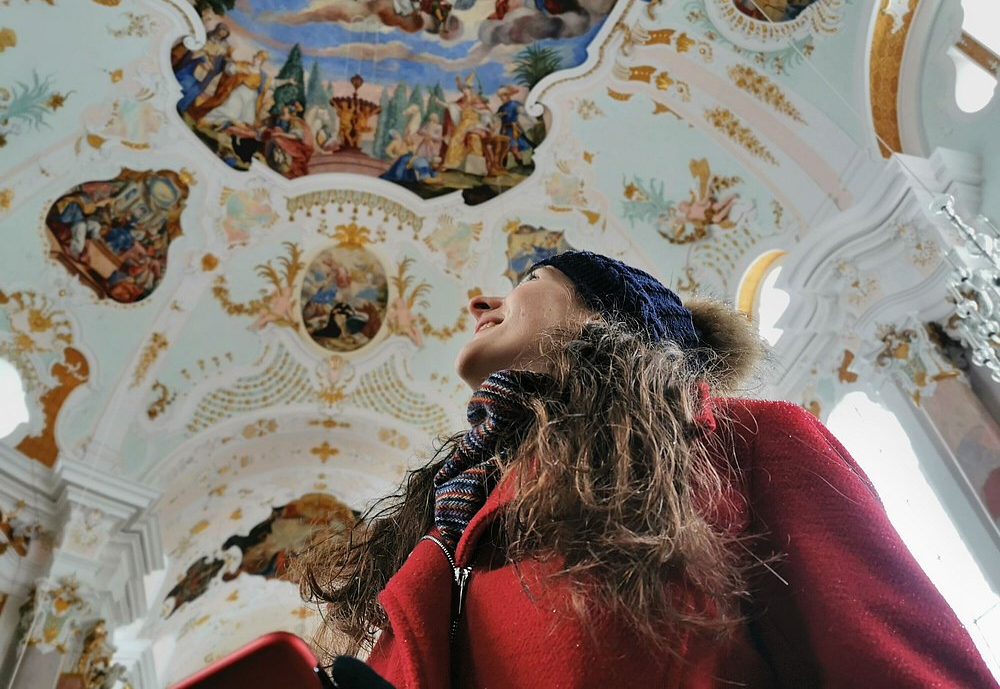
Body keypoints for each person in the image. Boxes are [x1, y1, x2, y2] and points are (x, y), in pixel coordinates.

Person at [297, 251, 997, 688]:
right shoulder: (447, 518)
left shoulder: (743, 441)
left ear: (610, 311)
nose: (480, 302)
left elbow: (902, 670)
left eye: (529, 279)